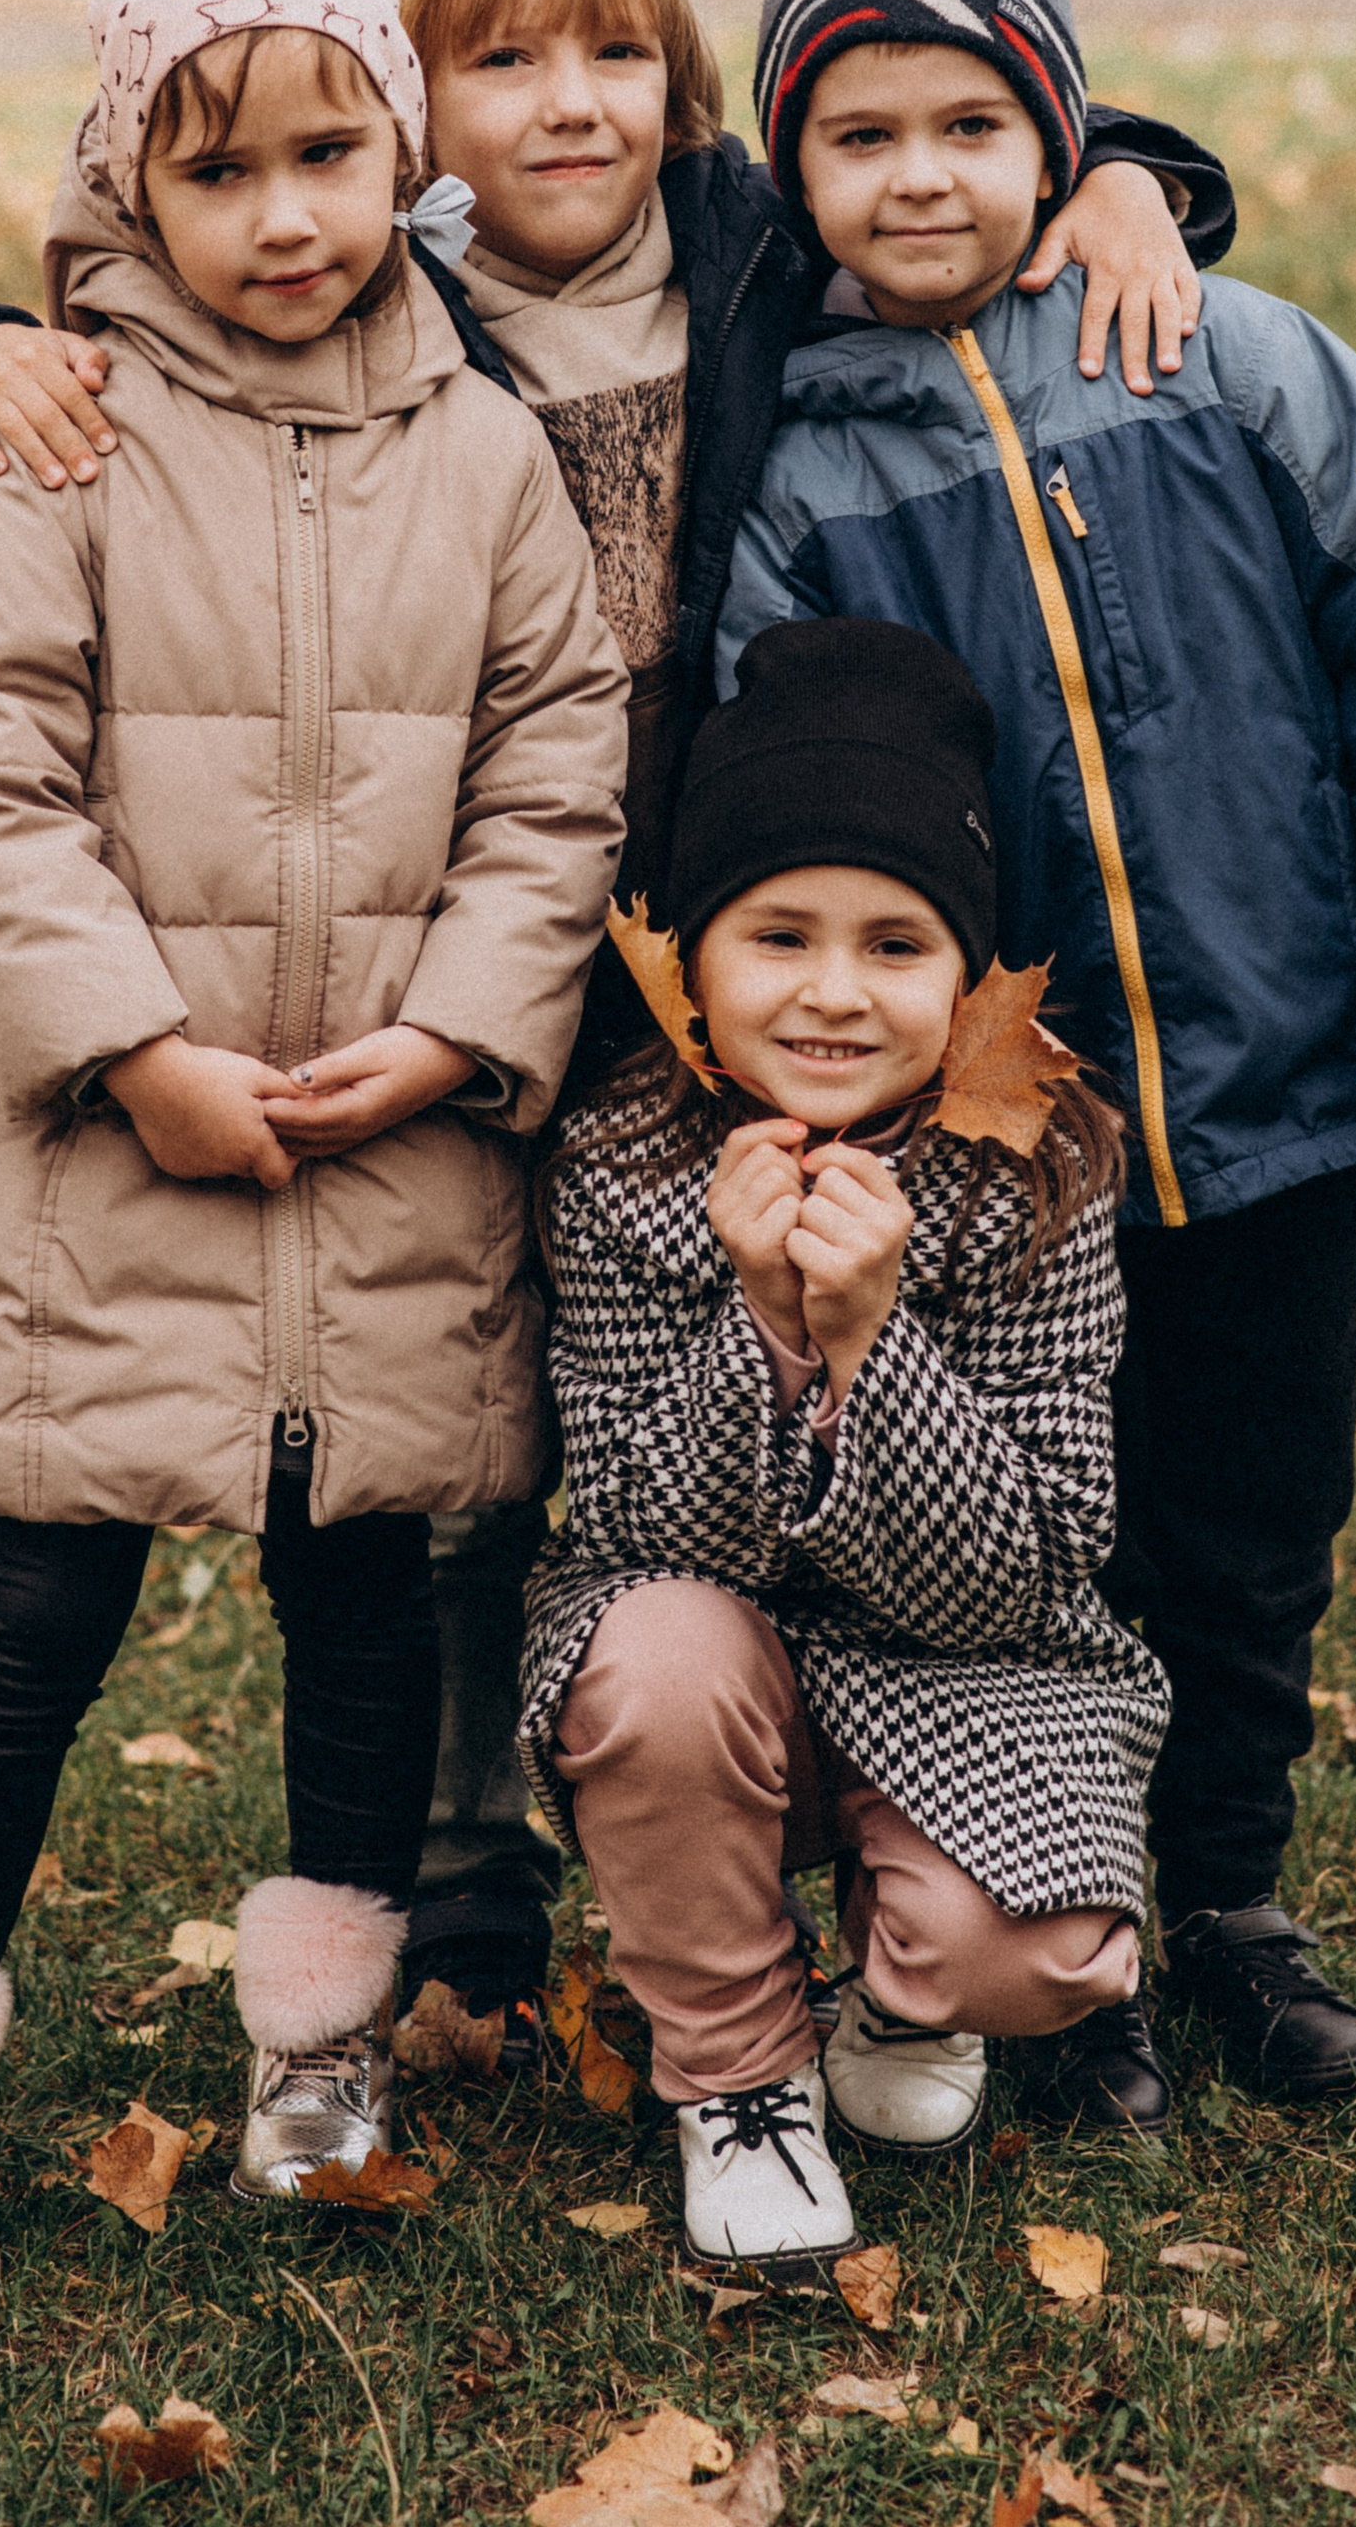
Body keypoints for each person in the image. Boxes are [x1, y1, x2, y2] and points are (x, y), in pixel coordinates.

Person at [0, 0, 1237, 2056]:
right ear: (422, 110)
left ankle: (930, 1835)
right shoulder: (387, 286)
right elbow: (147, 327)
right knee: (469, 1437)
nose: (568, 99)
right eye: (497, 59)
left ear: (682, 89)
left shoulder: (733, 241)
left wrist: (1133, 179)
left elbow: (921, 155)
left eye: (618, 50)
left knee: (798, 1351)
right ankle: (462, 1872)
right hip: (429, 952)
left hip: (729, 917)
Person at [0, 0, 626, 2292]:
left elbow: (552, 758)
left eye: (325, 152)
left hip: (382, 1146)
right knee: (23, 1627)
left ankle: (318, 2041)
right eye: (216, 165)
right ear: (126, 180)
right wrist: (126, 1045)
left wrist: (466, 1028)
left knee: (357, 1616)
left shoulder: (484, 450)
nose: (283, 215)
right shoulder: (60, 435)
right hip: (109, 1165)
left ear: (402, 149)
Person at [719, 0, 1356, 2133]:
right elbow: (788, 797)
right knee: (1053, 1544)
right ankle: (1068, 1950)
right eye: (858, 133)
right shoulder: (800, 466)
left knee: (1251, 1509)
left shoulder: (1222, 349)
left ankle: (1229, 1904)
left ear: (1059, 135)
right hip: (1014, 1136)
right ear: (790, 172)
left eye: (971, 125)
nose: (918, 175)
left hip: (1280, 1062)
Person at [521, 615, 1167, 2277]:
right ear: (691, 963)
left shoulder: (1038, 1173)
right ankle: (739, 2081)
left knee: (1029, 1951)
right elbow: (644, 1523)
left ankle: (900, 1995)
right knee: (650, 1659)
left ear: (967, 982)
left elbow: (1025, 1575)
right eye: (777, 936)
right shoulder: (615, 1162)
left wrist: (874, 1341)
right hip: (711, 1669)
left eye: (895, 946)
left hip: (973, 1667)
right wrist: (762, 1318)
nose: (829, 992)